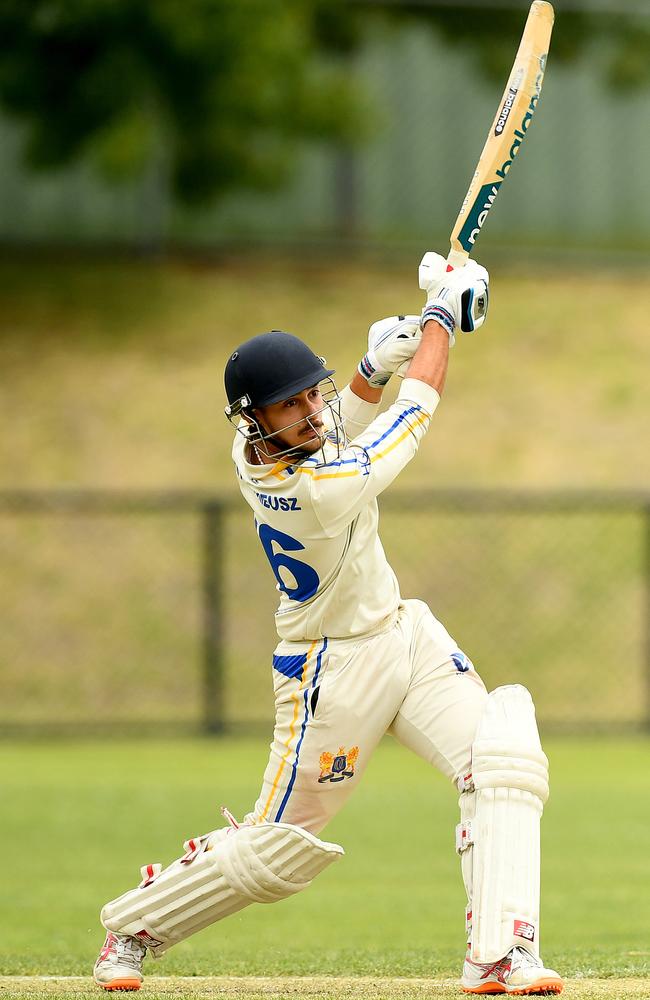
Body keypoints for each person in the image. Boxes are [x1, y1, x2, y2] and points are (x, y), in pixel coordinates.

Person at [93, 252, 563, 996]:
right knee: (277, 851)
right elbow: (413, 414)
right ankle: (135, 925)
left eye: (315, 395)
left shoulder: (280, 444)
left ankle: (502, 954)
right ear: (258, 422)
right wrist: (440, 316)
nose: (313, 413)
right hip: (329, 673)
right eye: (290, 406)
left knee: (502, 758)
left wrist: (372, 365)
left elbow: (353, 415)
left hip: (402, 635)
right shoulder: (311, 489)